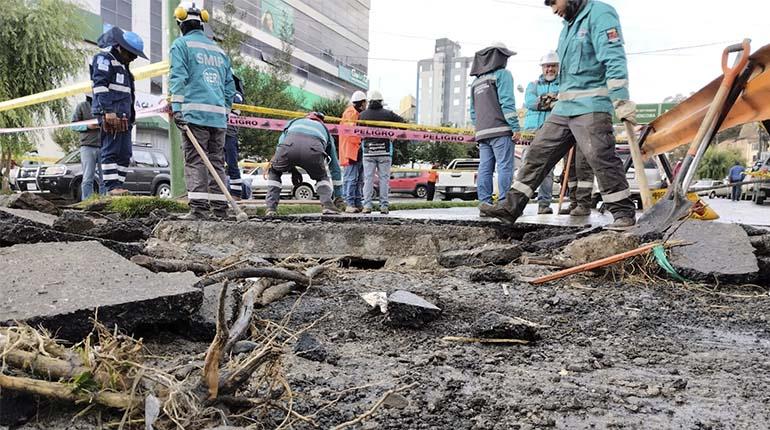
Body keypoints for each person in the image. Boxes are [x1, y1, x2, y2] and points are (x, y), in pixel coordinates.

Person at [482, 0, 638, 229]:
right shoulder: (568, 26)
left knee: (599, 157)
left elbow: (613, 58)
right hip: (564, 108)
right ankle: (510, 207)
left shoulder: (600, 13)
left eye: (554, 2)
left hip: (591, 106)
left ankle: (623, 212)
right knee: (537, 153)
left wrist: (621, 98)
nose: (554, 9)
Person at [169, 1, 235, 220]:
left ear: (181, 22)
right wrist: (224, 111)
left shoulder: (181, 45)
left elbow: (179, 77)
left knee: (196, 160)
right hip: (218, 119)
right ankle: (220, 210)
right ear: (201, 23)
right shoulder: (218, 51)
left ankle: (198, 209)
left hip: (194, 116)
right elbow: (229, 87)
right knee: (216, 161)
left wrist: (177, 108)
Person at [90, 27, 146, 196]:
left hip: (124, 117)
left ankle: (119, 186)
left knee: (125, 153)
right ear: (121, 47)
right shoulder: (104, 59)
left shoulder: (124, 66)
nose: (134, 58)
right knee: (111, 150)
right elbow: (99, 86)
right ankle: (111, 187)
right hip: (111, 114)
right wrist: (108, 111)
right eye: (132, 54)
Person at [469, 43, 521, 216]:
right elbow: (507, 102)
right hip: (501, 129)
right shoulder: (503, 75)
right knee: (505, 167)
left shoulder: (476, 82)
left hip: (483, 132)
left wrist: (479, 129)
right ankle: (504, 204)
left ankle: (484, 204)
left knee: (485, 168)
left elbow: (473, 112)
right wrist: (515, 127)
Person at [265, 112, 342, 216]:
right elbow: (334, 166)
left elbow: (282, 145)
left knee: (274, 171)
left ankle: (271, 208)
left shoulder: (294, 122)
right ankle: (328, 206)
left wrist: (291, 168)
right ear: (321, 121)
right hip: (313, 150)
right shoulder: (324, 130)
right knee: (322, 177)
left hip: (289, 146)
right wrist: (338, 195)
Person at [523, 51, 561, 214]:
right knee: (527, 166)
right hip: (532, 130)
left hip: (551, 129)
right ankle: (520, 202)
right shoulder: (532, 84)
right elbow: (530, 103)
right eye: (547, 66)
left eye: (553, 66)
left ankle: (544, 204)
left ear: (558, 67)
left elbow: (562, 102)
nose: (550, 69)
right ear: (542, 68)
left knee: (547, 167)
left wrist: (544, 100)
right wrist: (552, 100)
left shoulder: (562, 84)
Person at [360, 91, 405, 214]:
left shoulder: (363, 115)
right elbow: (403, 124)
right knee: (384, 179)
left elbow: (358, 131)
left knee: (368, 179)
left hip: (368, 151)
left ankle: (367, 206)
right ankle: (384, 206)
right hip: (384, 151)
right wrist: (394, 134)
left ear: (370, 102)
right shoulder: (388, 114)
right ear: (381, 102)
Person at [71, 94, 104, 200]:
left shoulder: (106, 106)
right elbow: (73, 125)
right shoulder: (82, 106)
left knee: (105, 178)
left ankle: (105, 201)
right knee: (87, 178)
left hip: (104, 146)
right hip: (87, 146)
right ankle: (87, 202)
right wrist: (87, 126)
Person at [340, 90, 367, 213]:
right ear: (361, 102)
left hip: (356, 150)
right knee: (351, 178)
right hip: (351, 150)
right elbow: (352, 132)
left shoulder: (356, 113)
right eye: (365, 103)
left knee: (358, 179)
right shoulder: (351, 113)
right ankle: (350, 203)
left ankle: (357, 202)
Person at [225, 76, 244, 199]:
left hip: (230, 133)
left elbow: (233, 101)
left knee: (232, 164)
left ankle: (236, 194)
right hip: (218, 130)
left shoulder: (237, 95)